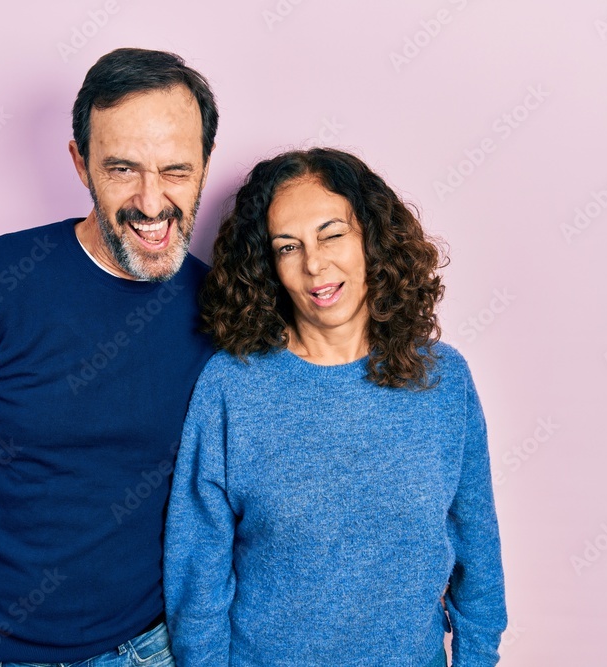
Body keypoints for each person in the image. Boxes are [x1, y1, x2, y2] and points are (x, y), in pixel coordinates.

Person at [0, 48, 217, 667]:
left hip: (148, 648)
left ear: (204, 168)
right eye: (122, 169)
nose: (152, 199)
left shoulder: (219, 307)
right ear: (80, 164)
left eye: (176, 170)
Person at [164, 148, 507, 666]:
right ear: (268, 266)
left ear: (370, 235)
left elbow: (476, 549)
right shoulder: (232, 386)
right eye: (287, 247)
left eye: (332, 234)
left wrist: (477, 658)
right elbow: (197, 569)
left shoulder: (443, 380)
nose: (314, 263)